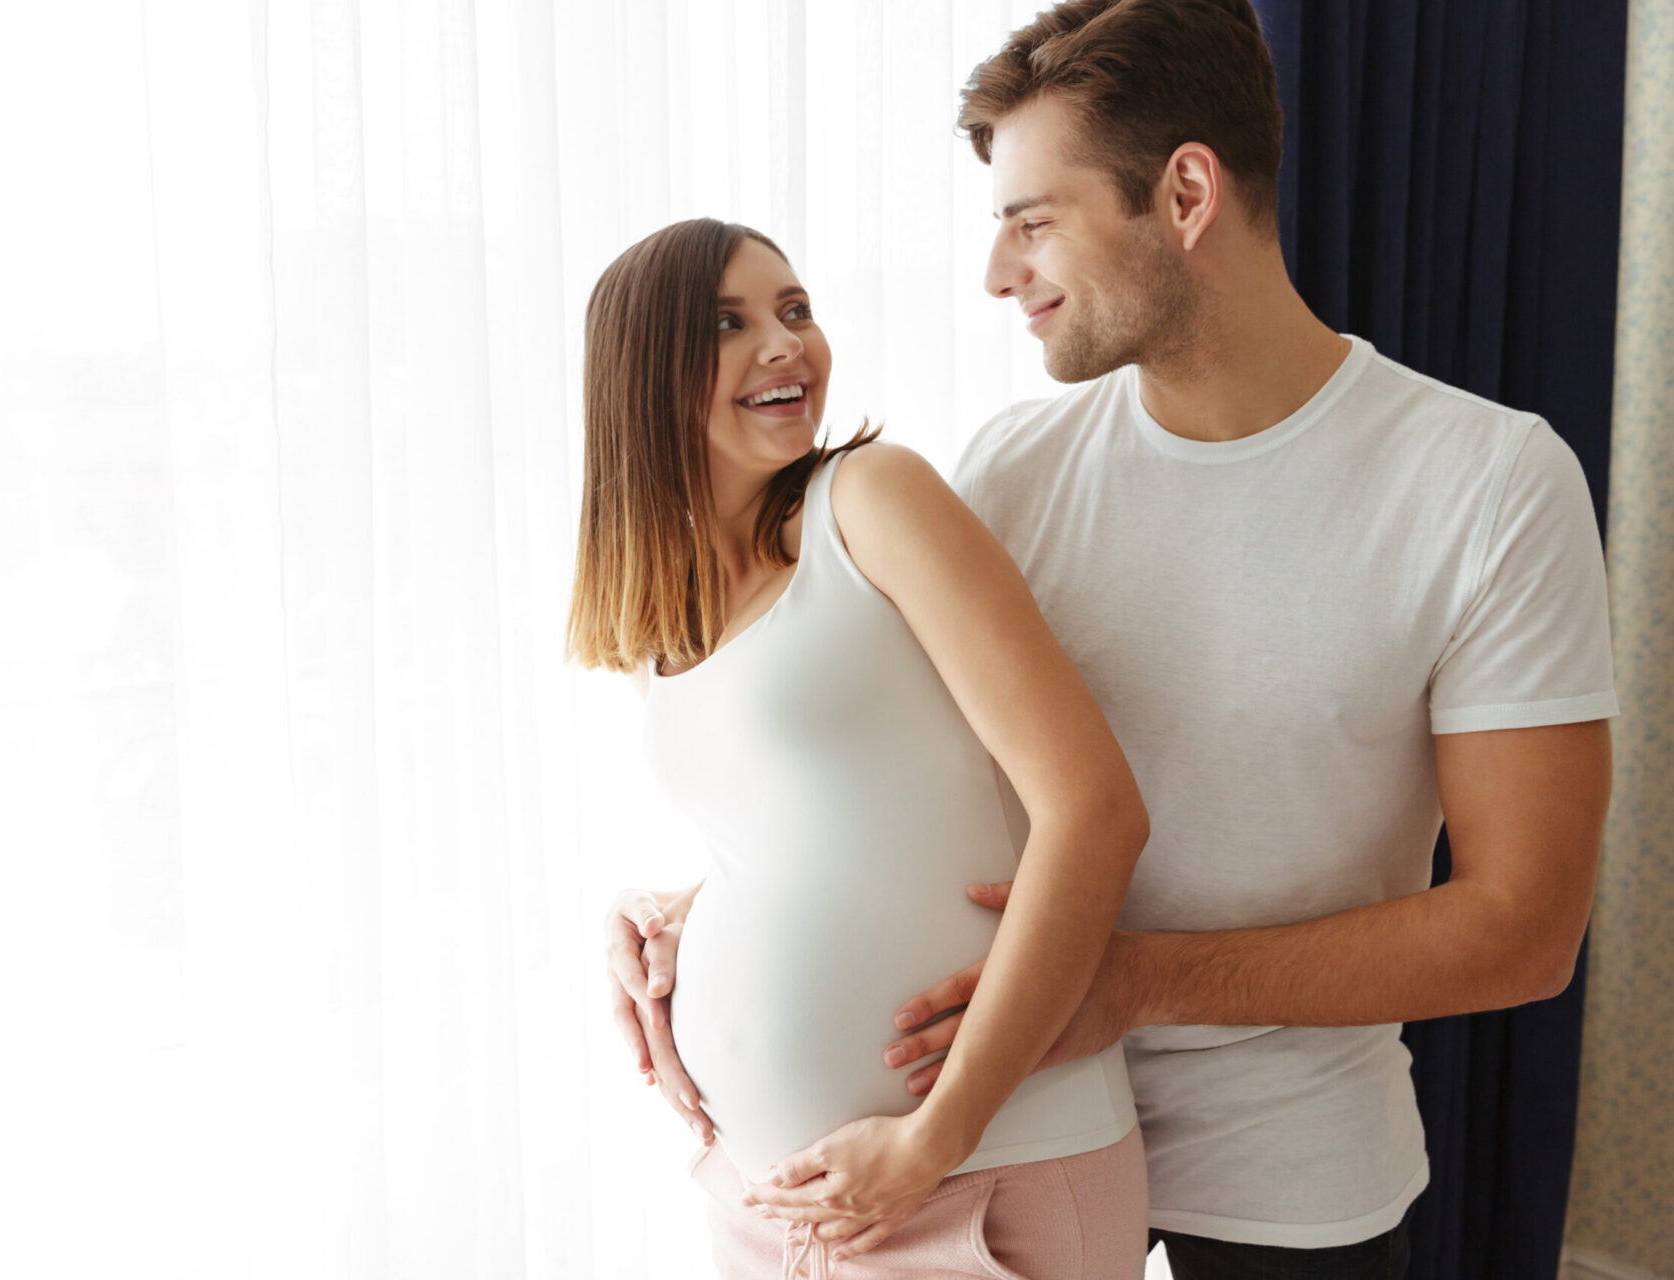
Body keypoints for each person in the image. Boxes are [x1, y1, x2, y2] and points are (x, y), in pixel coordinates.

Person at [610, 3, 1617, 1278]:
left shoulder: (1488, 482)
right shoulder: (1012, 468)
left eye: (1035, 221)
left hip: (1284, 1186)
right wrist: (697, 916)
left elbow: (1524, 927)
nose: (998, 273)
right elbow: (919, 783)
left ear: (1186, 192)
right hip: (997, 1140)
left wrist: (1133, 981)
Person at [573, 217, 1153, 1278]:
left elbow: (1096, 808)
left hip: (975, 1178)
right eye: (728, 323)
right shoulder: (672, 615)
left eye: (796, 310)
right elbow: (832, 821)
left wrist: (936, 1134)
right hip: (763, 1194)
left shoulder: (873, 499)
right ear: (641, 375)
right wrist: (676, 914)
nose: (786, 342)